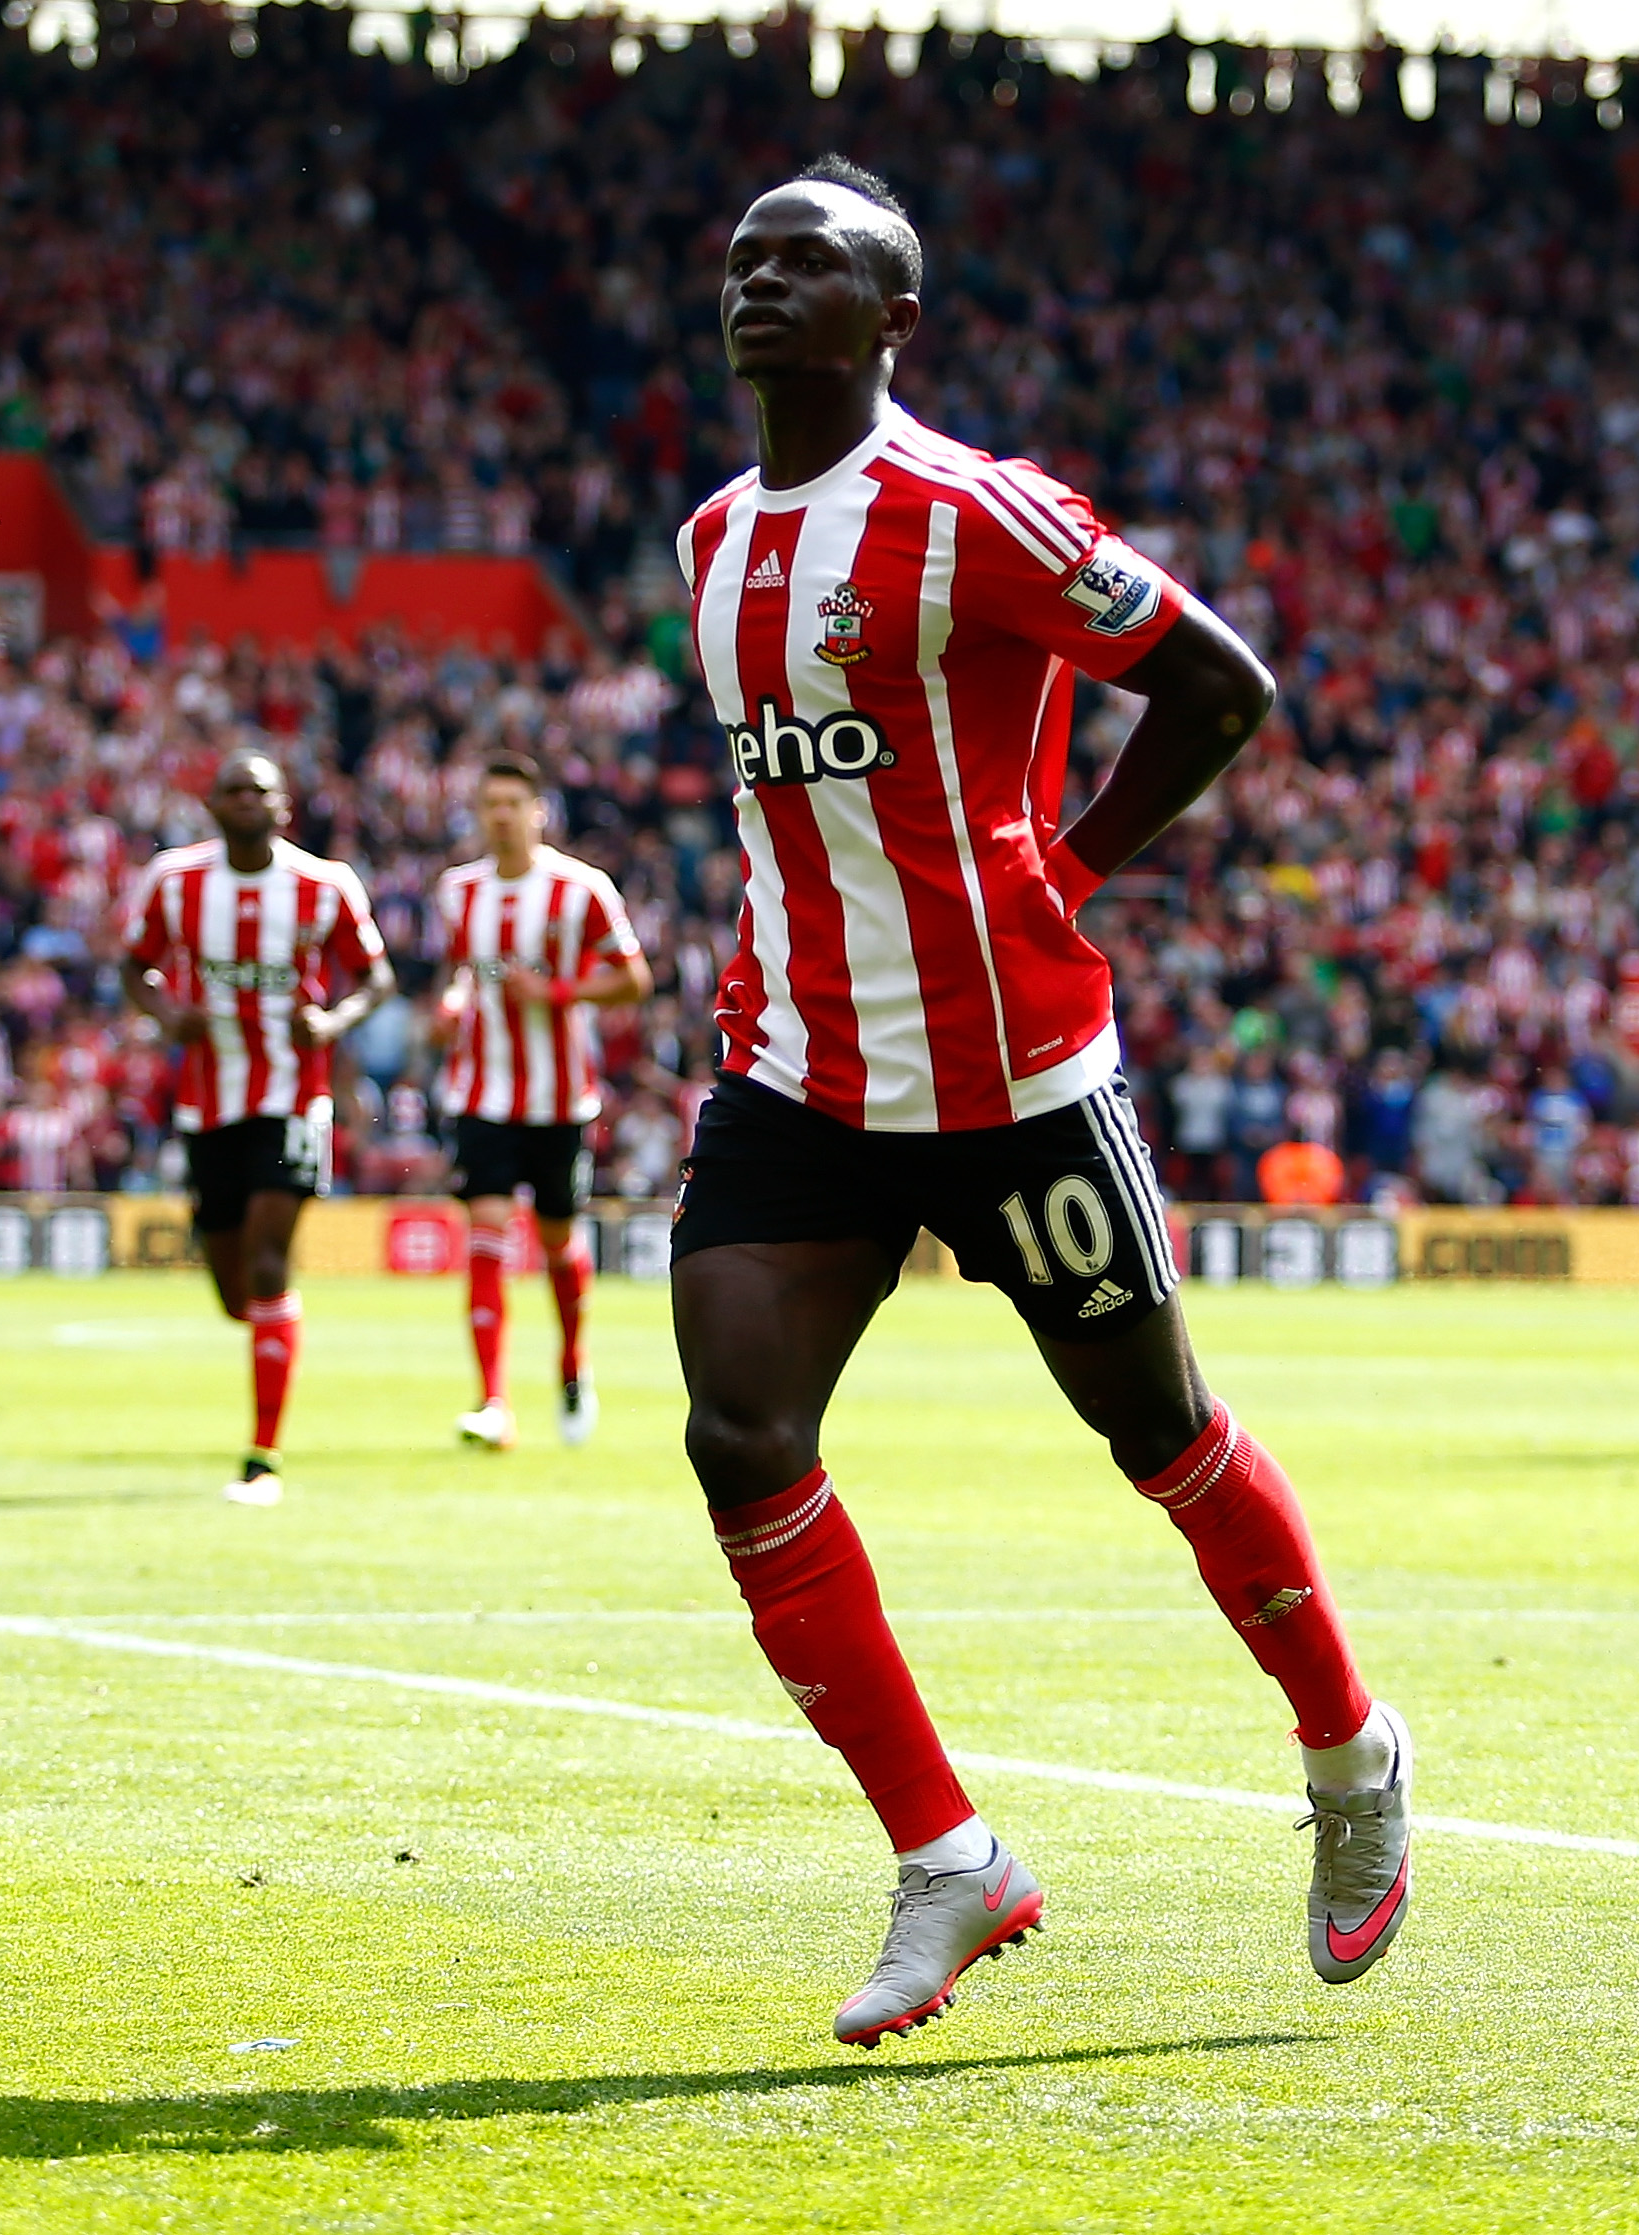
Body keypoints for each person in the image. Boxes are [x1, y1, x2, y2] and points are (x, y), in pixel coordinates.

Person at [668, 158, 1411, 2049]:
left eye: (808, 259)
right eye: (745, 258)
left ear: (892, 317)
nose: (763, 281)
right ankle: (947, 1862)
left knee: (1156, 1434)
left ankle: (1347, 1754)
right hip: (801, 1070)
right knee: (741, 1435)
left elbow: (1217, 688)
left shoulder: (975, 511)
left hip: (1011, 1073)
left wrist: (1068, 870)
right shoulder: (709, 541)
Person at [120, 750, 392, 1506]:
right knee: (235, 1293)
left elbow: (377, 976)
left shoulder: (325, 884)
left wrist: (333, 1019)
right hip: (207, 1103)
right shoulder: (175, 881)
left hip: (294, 1095)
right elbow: (132, 965)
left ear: (284, 808)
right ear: (211, 805)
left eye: (261, 790)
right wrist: (164, 1011)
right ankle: (274, 1337)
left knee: (272, 1261)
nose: (246, 800)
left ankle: (262, 1455)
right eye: (233, 789)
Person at [432, 752, 653, 1450]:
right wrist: (450, 1003)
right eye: (488, 803)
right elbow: (462, 972)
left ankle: (571, 1363)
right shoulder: (457, 891)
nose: (499, 815)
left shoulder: (580, 889)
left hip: (560, 1099)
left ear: (537, 812)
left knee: (558, 1242)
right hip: (481, 1092)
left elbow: (634, 979)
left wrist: (559, 992)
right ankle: (493, 1400)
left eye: (511, 803)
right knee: (488, 1235)